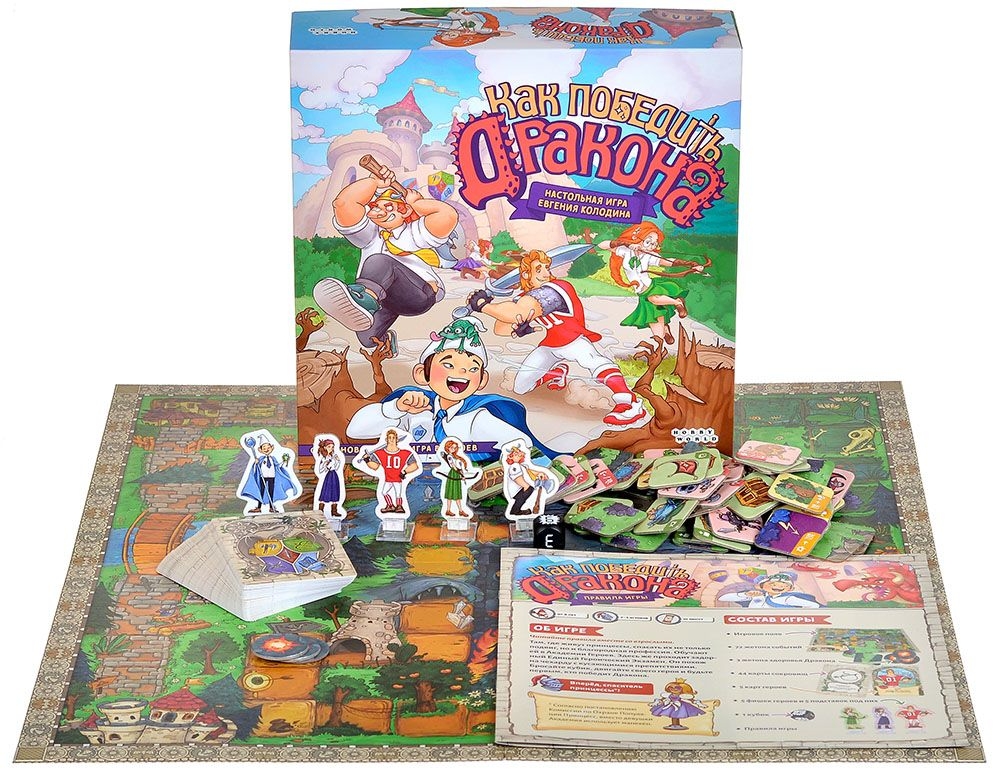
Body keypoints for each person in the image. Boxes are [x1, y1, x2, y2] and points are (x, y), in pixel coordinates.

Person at [471, 249, 648, 429]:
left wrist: (483, 306)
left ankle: (629, 403)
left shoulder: (555, 289)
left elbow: (518, 312)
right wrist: (519, 328)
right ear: (526, 274)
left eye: (546, 268)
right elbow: (500, 328)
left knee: (595, 362)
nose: (546, 273)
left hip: (573, 340)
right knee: (521, 387)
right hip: (550, 346)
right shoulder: (525, 297)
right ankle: (556, 373)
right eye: (538, 269)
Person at [347, 314, 561, 461]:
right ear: (422, 373)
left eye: (472, 369)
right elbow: (356, 430)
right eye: (448, 365)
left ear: (482, 380)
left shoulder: (475, 418)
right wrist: (395, 408)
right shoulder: (412, 411)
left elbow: (521, 443)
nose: (461, 373)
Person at [313, 160, 459, 355]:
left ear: (404, 211)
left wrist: (417, 204)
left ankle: (366, 299)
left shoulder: (414, 232)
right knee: (367, 336)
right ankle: (386, 340)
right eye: (375, 207)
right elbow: (343, 204)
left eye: (389, 206)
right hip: (387, 298)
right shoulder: (371, 234)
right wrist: (374, 183)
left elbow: (447, 215)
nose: (379, 211)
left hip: (419, 295)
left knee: (379, 261)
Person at [605, 222, 702, 345]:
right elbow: (603, 245)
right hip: (642, 294)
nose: (651, 245)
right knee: (657, 333)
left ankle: (678, 302)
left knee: (653, 298)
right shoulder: (625, 251)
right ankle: (665, 331)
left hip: (652, 288)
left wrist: (691, 265)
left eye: (654, 243)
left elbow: (668, 261)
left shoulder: (650, 256)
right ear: (638, 237)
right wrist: (628, 244)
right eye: (648, 241)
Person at [354, 429, 421, 516]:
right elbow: (375, 467)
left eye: (393, 438)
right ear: (386, 440)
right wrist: (366, 459)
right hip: (388, 479)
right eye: (390, 438)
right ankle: (390, 506)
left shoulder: (405, 453)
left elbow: (414, 466)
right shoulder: (380, 453)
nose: (392, 440)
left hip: (397, 478)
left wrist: (404, 471)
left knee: (398, 494)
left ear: (397, 439)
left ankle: (399, 506)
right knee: (384, 492)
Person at [237, 432, 301, 514]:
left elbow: (277, 466)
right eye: (264, 448)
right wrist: (256, 463)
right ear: (260, 450)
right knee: (261, 491)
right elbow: (255, 468)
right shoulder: (260, 459)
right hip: (262, 477)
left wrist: (284, 461)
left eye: (268, 447)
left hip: (272, 477)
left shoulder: (273, 458)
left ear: (272, 448)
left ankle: (271, 507)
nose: (266, 449)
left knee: (271, 492)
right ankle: (259, 507)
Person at [716, 572, 823, 609]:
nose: (778, 587)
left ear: (790, 589)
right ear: (760, 586)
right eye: (773, 584)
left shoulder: (788, 599)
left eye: (784, 585)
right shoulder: (757, 595)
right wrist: (746, 594)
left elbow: (814, 606)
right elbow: (722, 598)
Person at [438, 439, 478, 518]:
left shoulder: (454, 456)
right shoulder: (449, 456)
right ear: (448, 448)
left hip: (457, 474)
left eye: (455, 448)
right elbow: (453, 466)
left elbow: (459, 466)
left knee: (457, 493)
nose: (453, 449)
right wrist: (460, 474)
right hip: (453, 474)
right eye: (452, 447)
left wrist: (462, 473)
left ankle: (460, 510)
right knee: (450, 493)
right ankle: (449, 510)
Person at [312, 436, 344, 520]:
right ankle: (320, 510)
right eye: (329, 446)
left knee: (335, 492)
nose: (331, 448)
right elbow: (321, 470)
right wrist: (326, 464)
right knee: (326, 492)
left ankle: (334, 511)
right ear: (325, 447)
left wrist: (337, 461)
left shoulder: (333, 456)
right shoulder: (323, 457)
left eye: (332, 447)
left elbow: (336, 467)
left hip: (334, 475)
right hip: (329, 476)